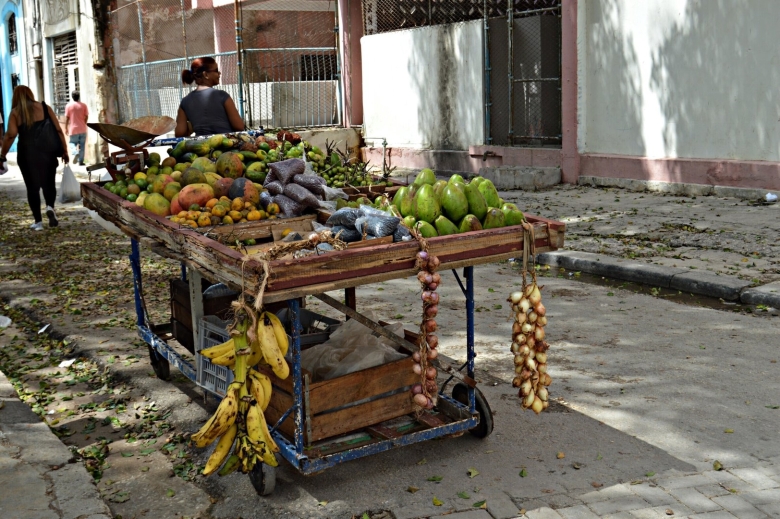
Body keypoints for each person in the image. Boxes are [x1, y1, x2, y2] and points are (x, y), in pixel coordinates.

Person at [0, 86, 69, 231]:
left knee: (32, 188)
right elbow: (58, 130)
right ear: (30, 94)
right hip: (47, 152)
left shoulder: (16, 112)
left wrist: (2, 155)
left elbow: (11, 135)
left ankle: (38, 222)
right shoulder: (44, 107)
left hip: (27, 155)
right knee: (48, 183)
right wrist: (64, 150)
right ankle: (50, 207)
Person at [175, 57, 245, 137]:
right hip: (225, 142)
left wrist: (191, 127)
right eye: (216, 70)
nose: (219, 73)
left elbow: (179, 133)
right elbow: (239, 126)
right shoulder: (222, 96)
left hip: (201, 144)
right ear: (206, 74)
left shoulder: (185, 102)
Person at [64, 91, 89, 166]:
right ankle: (81, 162)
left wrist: (66, 128)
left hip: (73, 129)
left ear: (72, 97)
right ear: (79, 97)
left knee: (72, 143)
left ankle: (75, 153)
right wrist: (84, 123)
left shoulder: (68, 106)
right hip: (82, 128)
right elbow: (86, 116)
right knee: (82, 146)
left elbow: (67, 118)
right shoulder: (84, 105)